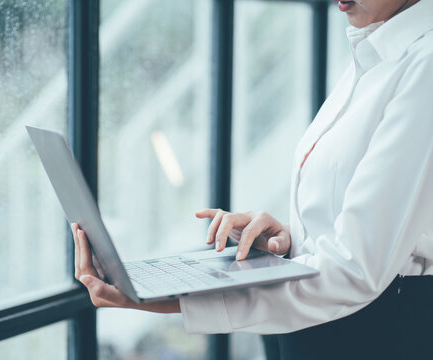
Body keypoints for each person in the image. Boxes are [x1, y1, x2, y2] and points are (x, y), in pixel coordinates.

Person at [71, 0, 433, 358]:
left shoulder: (424, 66)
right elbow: (397, 227)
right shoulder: (374, 52)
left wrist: (166, 300)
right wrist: (293, 238)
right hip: (327, 332)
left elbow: (354, 268)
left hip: (372, 336)